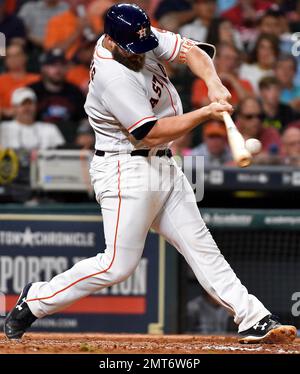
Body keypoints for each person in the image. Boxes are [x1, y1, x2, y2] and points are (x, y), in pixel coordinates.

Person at [5, 3, 296, 345]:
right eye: (134, 48)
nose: (142, 53)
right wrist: (206, 112)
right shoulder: (113, 74)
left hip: (162, 164)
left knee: (201, 246)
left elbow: (192, 52)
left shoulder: (137, 35)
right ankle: (36, 300)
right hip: (124, 168)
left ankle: (253, 317)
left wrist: (214, 82)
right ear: (112, 40)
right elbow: (148, 132)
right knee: (117, 265)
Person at [28, 49, 86, 145]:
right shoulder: (33, 91)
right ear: (43, 68)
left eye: (62, 65)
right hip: (40, 139)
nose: (58, 70)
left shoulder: (75, 91)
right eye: (53, 65)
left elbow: (84, 119)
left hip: (70, 140)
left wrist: (84, 133)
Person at [0, 87, 65, 150]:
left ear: (36, 106)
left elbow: (63, 154)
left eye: (30, 104)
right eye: (23, 104)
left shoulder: (50, 129)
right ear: (14, 108)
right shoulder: (4, 128)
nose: (27, 108)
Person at [192, 43, 253, 108]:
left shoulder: (244, 83)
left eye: (235, 59)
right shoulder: (202, 82)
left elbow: (250, 105)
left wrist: (233, 80)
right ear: (217, 60)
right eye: (227, 58)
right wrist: (236, 106)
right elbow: (204, 103)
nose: (231, 62)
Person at [0, 43, 40, 118]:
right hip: (7, 120)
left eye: (17, 55)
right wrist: (5, 111)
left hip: (35, 119)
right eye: (9, 56)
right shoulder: (0, 81)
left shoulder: (37, 79)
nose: (13, 59)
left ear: (25, 57)